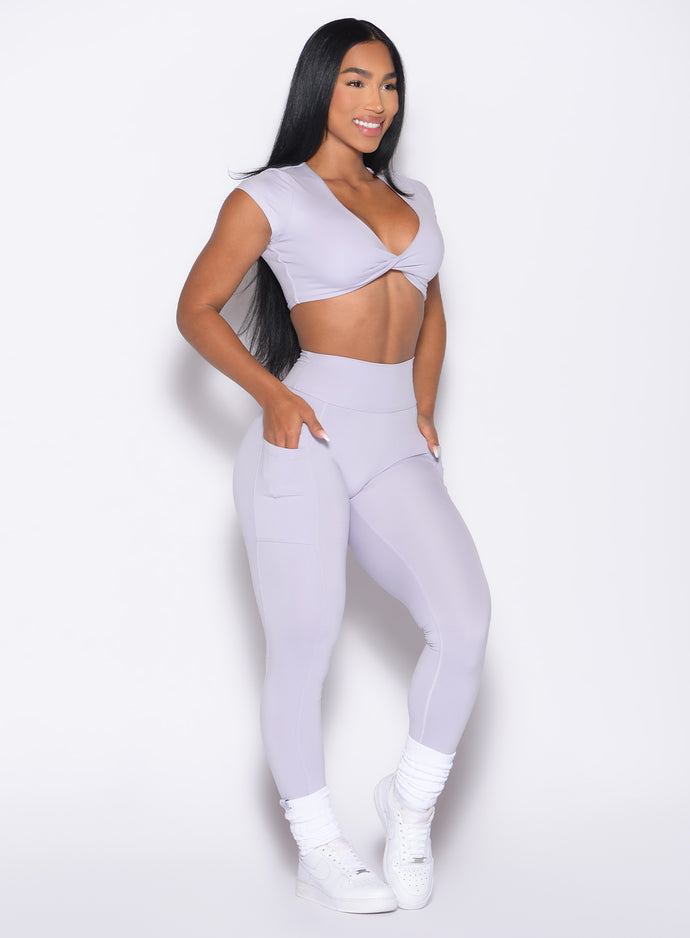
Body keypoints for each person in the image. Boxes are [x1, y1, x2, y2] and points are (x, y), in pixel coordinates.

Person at [177, 17, 491, 914]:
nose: (375, 102)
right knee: (304, 639)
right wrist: (273, 396)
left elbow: (431, 310)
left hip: (394, 442)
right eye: (356, 81)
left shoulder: (414, 196)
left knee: (465, 622)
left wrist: (422, 409)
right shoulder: (270, 196)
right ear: (321, 86)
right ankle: (318, 842)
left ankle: (410, 806)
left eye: (389, 85)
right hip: (305, 434)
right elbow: (196, 310)